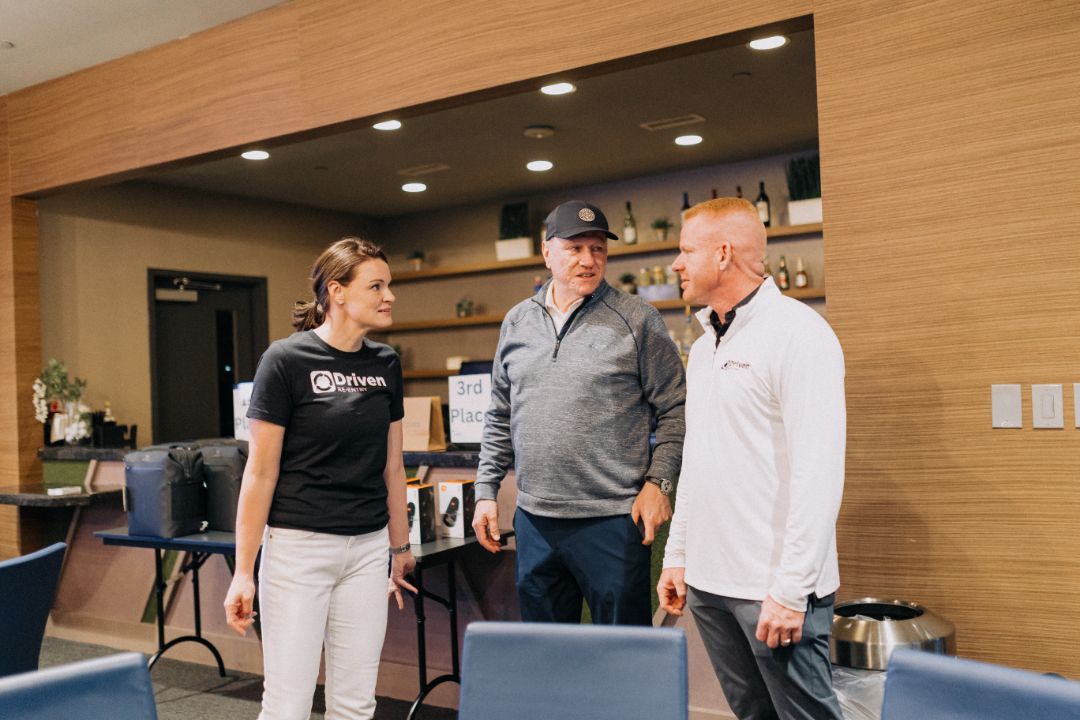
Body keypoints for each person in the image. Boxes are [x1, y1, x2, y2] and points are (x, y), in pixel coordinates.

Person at [657, 197, 845, 720]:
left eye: (685, 250)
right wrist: (678, 554)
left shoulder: (800, 335)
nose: (676, 264)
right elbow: (698, 456)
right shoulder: (703, 346)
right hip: (710, 585)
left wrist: (790, 590)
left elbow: (819, 473)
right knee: (751, 715)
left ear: (721, 255)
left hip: (774, 590)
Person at [223, 237, 416, 720]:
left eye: (388, 285)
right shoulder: (286, 361)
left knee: (355, 703)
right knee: (288, 703)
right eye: (376, 286)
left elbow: (392, 465)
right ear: (338, 291)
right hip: (299, 551)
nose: (389, 296)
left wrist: (399, 547)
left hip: (368, 550)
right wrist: (244, 571)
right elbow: (260, 473)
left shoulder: (385, 363)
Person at [472, 200, 685, 625]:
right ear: (547, 251)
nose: (589, 260)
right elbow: (499, 415)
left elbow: (676, 410)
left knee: (622, 656)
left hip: (611, 520)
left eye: (598, 249)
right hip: (535, 520)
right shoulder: (516, 322)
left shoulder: (638, 320)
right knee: (548, 655)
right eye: (575, 248)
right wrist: (485, 492)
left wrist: (658, 484)